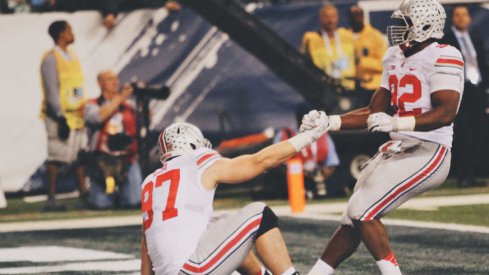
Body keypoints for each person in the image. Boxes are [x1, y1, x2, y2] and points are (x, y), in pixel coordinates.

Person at [305, 1, 464, 274]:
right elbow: (373, 111)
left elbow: (445, 113)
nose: (397, 29)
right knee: (352, 216)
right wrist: (329, 122)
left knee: (363, 211)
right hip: (398, 146)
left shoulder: (444, 55)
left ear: (425, 26)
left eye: (405, 23)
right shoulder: (394, 56)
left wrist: (396, 121)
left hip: (430, 149)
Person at [140, 119, 330, 274]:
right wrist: (307, 137)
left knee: (220, 223)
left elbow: (146, 245)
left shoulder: (150, 181)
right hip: (192, 270)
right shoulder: (197, 160)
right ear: (191, 143)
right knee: (258, 213)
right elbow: (261, 161)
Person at [40, 20, 88, 211]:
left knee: (77, 155)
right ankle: (51, 198)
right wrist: (59, 117)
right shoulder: (51, 58)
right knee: (56, 156)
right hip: (59, 116)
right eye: (69, 30)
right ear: (61, 34)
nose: (72, 33)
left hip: (76, 114)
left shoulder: (72, 56)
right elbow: (52, 89)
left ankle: (84, 192)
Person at [440, 4, 489, 188]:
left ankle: (475, 173)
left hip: (476, 89)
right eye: (458, 15)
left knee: (477, 132)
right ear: (452, 18)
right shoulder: (447, 40)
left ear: (469, 18)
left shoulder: (475, 38)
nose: (461, 18)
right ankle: (463, 175)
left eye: (465, 15)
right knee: (463, 134)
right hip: (458, 91)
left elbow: (482, 64)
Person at [83, 70, 142, 209]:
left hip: (127, 158)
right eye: (110, 79)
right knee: (101, 205)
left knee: (133, 203)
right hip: (102, 161)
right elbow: (98, 117)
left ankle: (123, 193)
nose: (115, 82)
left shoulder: (129, 106)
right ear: (100, 83)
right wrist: (119, 98)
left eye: (116, 79)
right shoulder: (91, 104)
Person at [275, 103, 340, 198]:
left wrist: (325, 172)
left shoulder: (322, 134)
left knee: (336, 186)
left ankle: (316, 192)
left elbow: (332, 162)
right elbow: (276, 162)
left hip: (317, 175)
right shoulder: (285, 134)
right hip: (292, 176)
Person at [301, 3, 356, 90]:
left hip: (348, 87)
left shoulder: (347, 35)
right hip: (324, 89)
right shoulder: (311, 39)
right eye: (327, 17)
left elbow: (358, 59)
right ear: (321, 18)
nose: (330, 20)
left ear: (337, 17)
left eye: (333, 16)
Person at [348, 5, 387, 105]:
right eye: (353, 16)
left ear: (363, 16)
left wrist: (361, 61)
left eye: (358, 15)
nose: (356, 18)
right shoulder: (345, 36)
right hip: (352, 87)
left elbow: (383, 63)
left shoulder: (375, 36)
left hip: (372, 86)